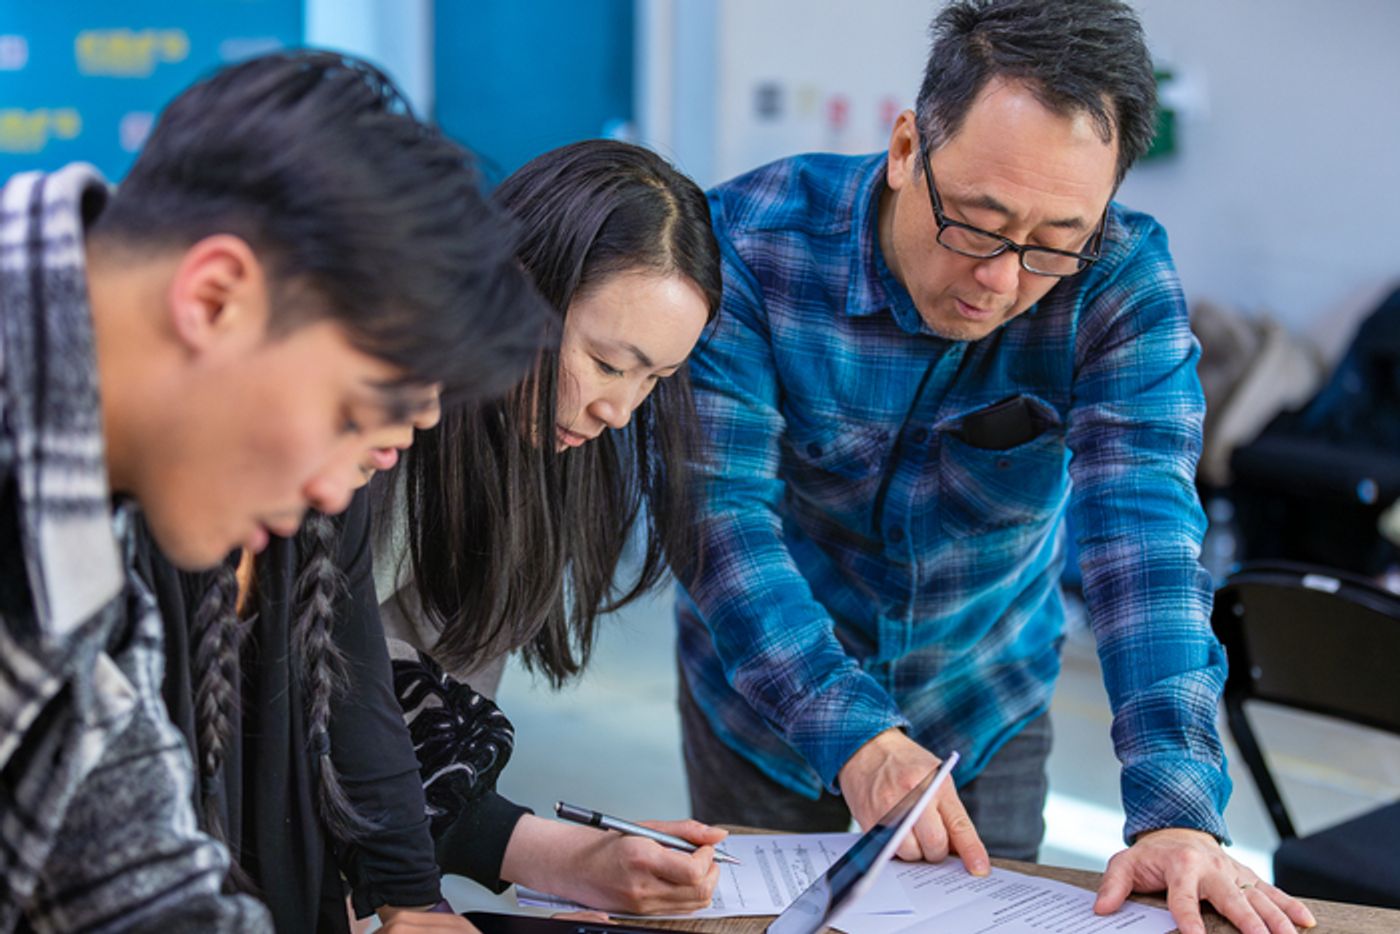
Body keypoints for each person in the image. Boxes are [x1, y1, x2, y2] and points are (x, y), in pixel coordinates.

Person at [672, 4, 1316, 934]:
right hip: (767, 702)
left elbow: (1146, 548)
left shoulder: (1121, 285)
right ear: (904, 148)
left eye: (1056, 241)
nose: (1002, 282)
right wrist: (849, 729)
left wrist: (1178, 811)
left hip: (983, 707)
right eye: (977, 224)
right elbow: (715, 517)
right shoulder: (749, 244)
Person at [0, 50, 543, 931]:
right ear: (215, 299)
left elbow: (128, 860)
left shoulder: (94, 499)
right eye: (349, 416)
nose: (340, 489)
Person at [376, 139, 727, 915]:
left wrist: (544, 855)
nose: (621, 411)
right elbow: (304, 672)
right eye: (606, 363)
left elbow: (435, 712)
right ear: (521, 290)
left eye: (655, 378)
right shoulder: (385, 423)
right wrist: (415, 889)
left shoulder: (539, 437)